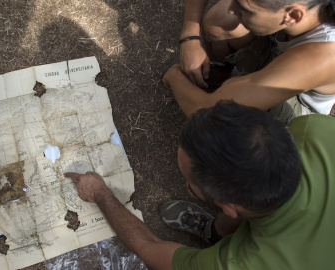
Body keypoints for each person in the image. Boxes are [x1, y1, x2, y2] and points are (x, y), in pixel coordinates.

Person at [65, 100, 335, 270]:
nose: (187, 185)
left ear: (229, 207)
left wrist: (100, 194)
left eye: (190, 184)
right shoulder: (315, 129)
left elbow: (150, 248)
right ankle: (215, 231)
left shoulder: (244, 263)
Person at [162, 0, 335, 123]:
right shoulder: (299, 12)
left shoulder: (324, 55)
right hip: (277, 52)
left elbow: (209, 113)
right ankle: (219, 76)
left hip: (298, 102)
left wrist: (174, 76)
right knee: (223, 19)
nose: (232, 7)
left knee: (227, 119)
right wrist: (189, 36)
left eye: (245, 7)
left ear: (293, 15)